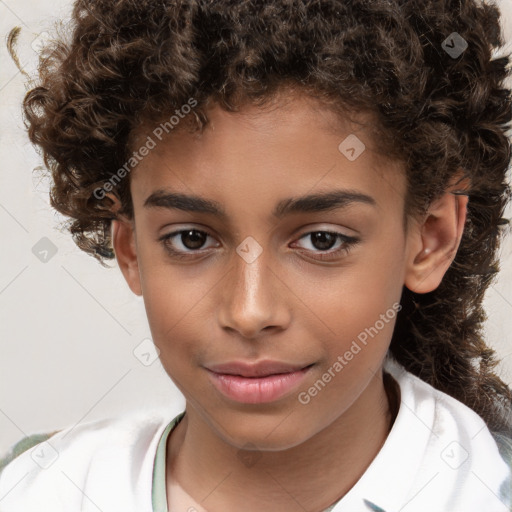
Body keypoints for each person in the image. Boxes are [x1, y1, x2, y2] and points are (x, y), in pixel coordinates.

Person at [1, 0, 512, 510]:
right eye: (191, 239)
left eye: (322, 240)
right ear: (131, 248)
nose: (250, 312)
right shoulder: (35, 488)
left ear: (431, 238)